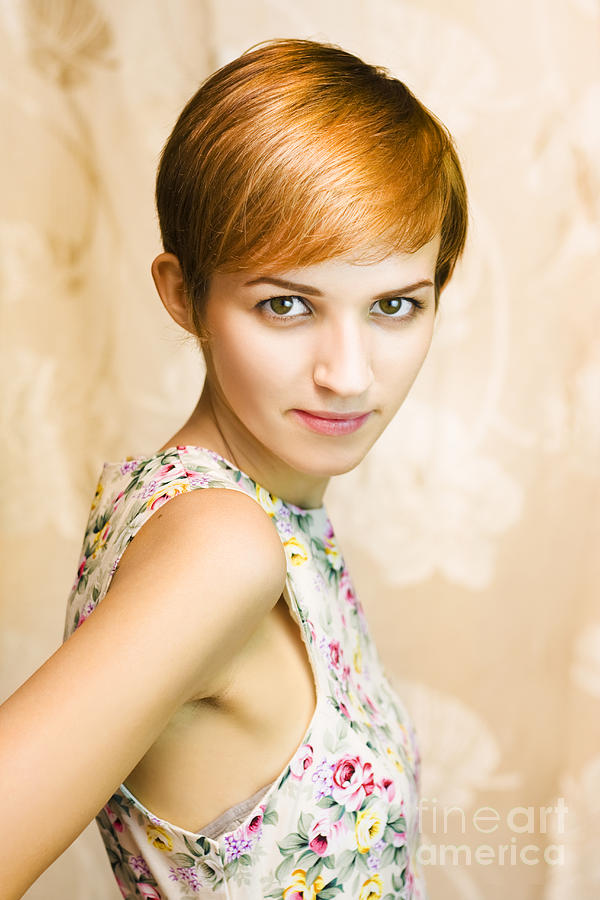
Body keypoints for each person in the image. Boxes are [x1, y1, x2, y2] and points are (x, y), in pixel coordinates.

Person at [0, 37, 467, 899]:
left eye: (396, 305)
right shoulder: (220, 546)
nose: (350, 372)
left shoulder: (240, 510)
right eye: (286, 304)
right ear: (184, 295)